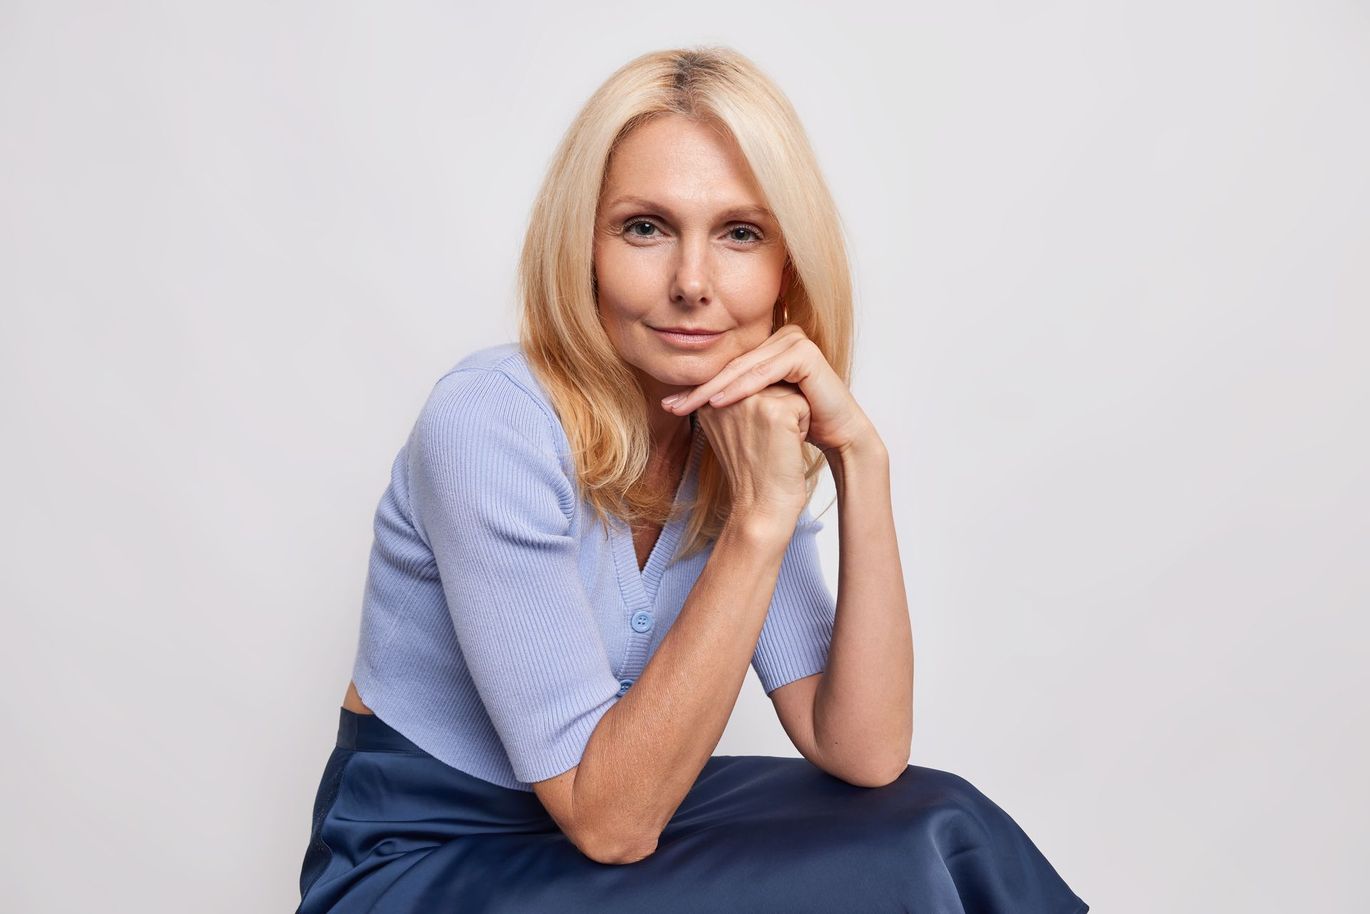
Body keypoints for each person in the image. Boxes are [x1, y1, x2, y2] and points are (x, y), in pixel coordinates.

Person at [294, 45, 1089, 913]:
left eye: (740, 233)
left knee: (942, 822)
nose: (692, 284)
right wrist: (759, 518)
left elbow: (863, 750)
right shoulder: (490, 421)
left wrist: (862, 462)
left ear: (787, 265)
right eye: (646, 227)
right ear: (583, 248)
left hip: (623, 809)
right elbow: (611, 822)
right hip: (426, 856)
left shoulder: (738, 435)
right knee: (891, 874)